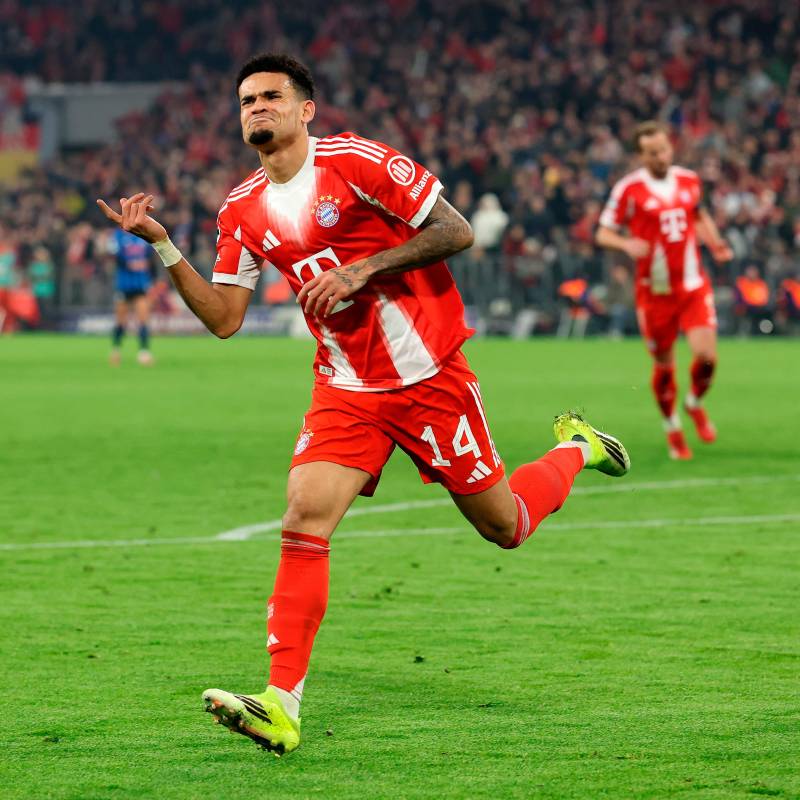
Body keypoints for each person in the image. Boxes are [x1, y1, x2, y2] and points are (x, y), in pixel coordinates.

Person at [98, 53, 631, 756]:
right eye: (246, 101)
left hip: (429, 377)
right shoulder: (241, 208)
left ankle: (575, 448)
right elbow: (225, 317)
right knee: (303, 516)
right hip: (346, 387)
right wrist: (165, 247)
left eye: (270, 97)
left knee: (506, 525)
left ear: (305, 109)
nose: (256, 108)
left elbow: (456, 230)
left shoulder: (358, 162)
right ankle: (281, 704)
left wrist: (365, 266)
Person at [596, 121, 733, 460]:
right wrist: (626, 244)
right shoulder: (628, 190)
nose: (660, 157)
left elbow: (698, 216)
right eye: (652, 152)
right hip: (654, 294)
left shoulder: (689, 180)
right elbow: (603, 233)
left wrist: (716, 245)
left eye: (664, 149)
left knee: (706, 357)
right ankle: (672, 426)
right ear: (640, 155)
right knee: (664, 365)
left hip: (692, 285)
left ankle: (694, 403)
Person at [106, 227, 156, 365]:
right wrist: (129, 264)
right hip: (124, 284)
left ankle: (144, 352)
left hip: (140, 284)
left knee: (143, 318)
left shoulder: (143, 236)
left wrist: (151, 276)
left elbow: (150, 257)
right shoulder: (116, 236)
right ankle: (116, 350)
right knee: (121, 321)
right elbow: (114, 255)